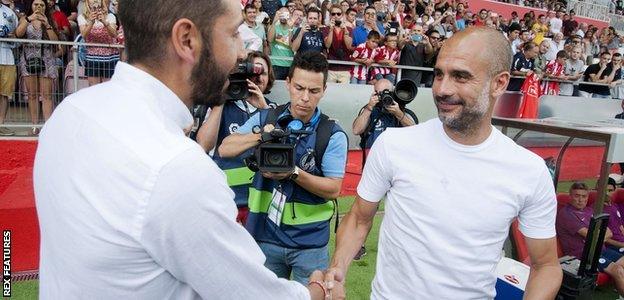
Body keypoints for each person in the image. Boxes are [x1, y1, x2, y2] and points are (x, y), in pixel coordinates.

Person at [33, 0, 344, 298]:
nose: (241, 53)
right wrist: (318, 291)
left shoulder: (69, 112)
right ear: (187, 40)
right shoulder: (181, 170)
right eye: (234, 33)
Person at [326, 27, 562, 299]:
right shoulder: (394, 145)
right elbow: (358, 218)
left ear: (499, 83)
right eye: (439, 74)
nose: (442, 89)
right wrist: (338, 267)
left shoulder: (529, 171)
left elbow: (546, 266)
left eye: (461, 76)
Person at [218, 51, 349, 286]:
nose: (305, 98)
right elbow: (226, 148)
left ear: (324, 91)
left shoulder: (332, 134)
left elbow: (333, 189)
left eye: (314, 91)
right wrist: (261, 136)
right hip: (266, 237)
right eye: (299, 88)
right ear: (287, 83)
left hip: (310, 244)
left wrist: (294, 173)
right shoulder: (267, 116)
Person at [196, 51, 275, 225]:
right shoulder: (223, 106)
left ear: (269, 77)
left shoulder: (273, 110)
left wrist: (265, 110)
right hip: (226, 202)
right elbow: (203, 145)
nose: (257, 78)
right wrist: (221, 100)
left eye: (262, 73)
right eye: (252, 73)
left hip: (259, 204)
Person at [556, 182, 624, 294]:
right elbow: (591, 235)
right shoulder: (566, 214)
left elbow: (608, 232)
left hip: (600, 250)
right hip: (583, 256)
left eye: (584, 196)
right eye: (577, 196)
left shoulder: (589, 211)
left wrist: (598, 236)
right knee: (618, 270)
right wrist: (599, 236)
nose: (580, 200)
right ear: (570, 196)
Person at [16, 0, 60, 135]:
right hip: (28, 60)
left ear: (45, 7)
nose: (39, 7)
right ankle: (34, 125)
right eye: (36, 4)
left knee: (47, 95)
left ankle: (47, 127)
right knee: (32, 95)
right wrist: (29, 19)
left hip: (46, 59)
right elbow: (18, 33)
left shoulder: (50, 21)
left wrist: (47, 24)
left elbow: (55, 41)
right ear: (31, 6)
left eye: (42, 5)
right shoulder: (25, 19)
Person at [352, 78, 417, 150]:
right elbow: (356, 130)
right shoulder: (371, 110)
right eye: (381, 94)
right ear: (375, 93)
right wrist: (368, 108)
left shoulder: (402, 112)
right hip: (372, 154)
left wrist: (399, 114)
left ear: (394, 93)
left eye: (388, 93)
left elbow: (415, 132)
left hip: (395, 155)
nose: (385, 97)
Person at [78, 0, 120, 86]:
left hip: (110, 57)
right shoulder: (82, 17)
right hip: (92, 58)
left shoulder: (110, 16)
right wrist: (91, 22)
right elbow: (84, 35)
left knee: (108, 88)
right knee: (93, 88)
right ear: (87, 2)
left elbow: (114, 34)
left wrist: (104, 22)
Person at [322, 4, 354, 84]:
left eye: (338, 14)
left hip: (345, 68)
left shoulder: (349, 29)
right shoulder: (326, 29)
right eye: (333, 14)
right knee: (330, 93)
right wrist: (331, 30)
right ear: (330, 15)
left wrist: (345, 30)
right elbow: (327, 45)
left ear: (342, 15)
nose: (336, 16)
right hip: (331, 67)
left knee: (344, 94)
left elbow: (348, 46)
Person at [0, 1, 18, 136]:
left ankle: (1, 124)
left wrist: (12, 38)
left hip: (7, 57)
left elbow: (16, 38)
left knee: (5, 94)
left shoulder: (10, 12)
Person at [268, 6, 295, 80]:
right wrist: (274, 21)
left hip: (289, 64)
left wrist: (290, 28)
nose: (283, 16)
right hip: (276, 64)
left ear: (289, 15)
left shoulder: (293, 29)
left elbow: (292, 46)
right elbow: (270, 40)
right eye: (281, 14)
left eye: (285, 14)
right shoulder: (274, 27)